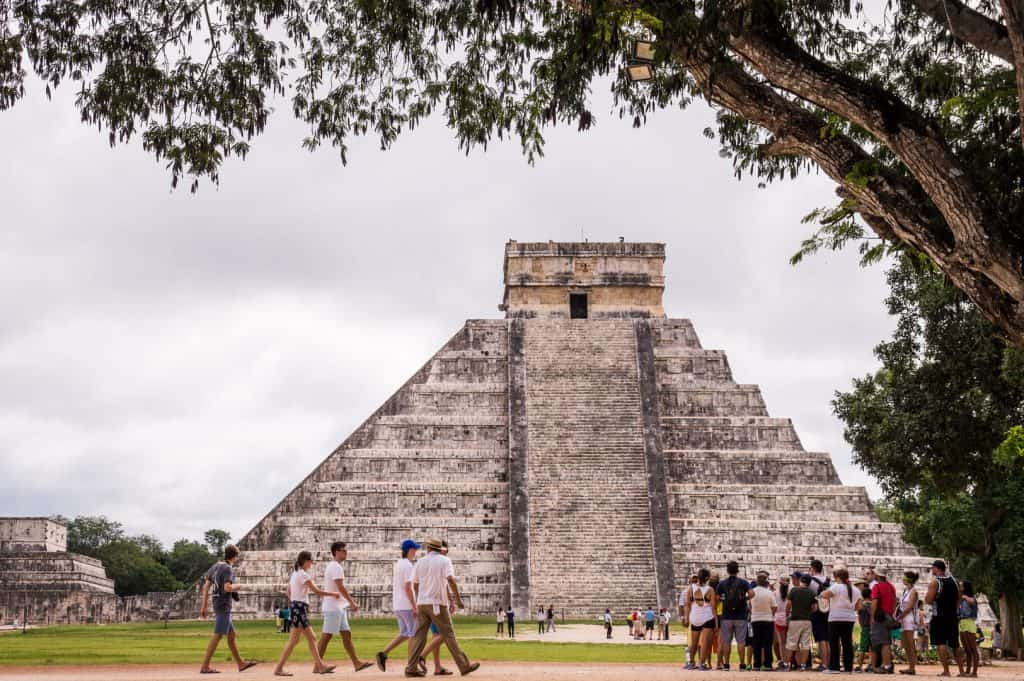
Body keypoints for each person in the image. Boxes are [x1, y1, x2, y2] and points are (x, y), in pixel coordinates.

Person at [404, 537, 479, 677]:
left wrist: (421, 597)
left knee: (419, 636)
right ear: (439, 549)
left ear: (428, 548)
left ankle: (411, 668)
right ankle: (464, 666)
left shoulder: (420, 562)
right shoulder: (445, 561)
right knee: (448, 634)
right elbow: (450, 580)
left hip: (422, 603)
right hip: (437, 603)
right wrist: (457, 599)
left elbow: (414, 584)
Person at [273, 550, 338, 676]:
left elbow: (288, 592)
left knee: (300, 640)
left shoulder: (295, 574)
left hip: (296, 608)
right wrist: (333, 594)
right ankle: (319, 666)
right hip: (300, 609)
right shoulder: (303, 575)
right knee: (304, 639)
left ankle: (320, 666)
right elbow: (317, 591)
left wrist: (294, 603)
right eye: (310, 561)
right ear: (305, 561)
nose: (312, 563)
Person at [198, 544, 259, 675]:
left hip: (216, 603)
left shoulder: (216, 566)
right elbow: (227, 588)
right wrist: (238, 586)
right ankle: (205, 666)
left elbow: (206, 587)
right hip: (223, 605)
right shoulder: (227, 568)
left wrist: (203, 606)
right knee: (218, 635)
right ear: (235, 557)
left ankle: (241, 663)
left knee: (231, 635)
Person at [317, 541, 373, 672]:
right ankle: (318, 665)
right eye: (343, 550)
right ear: (336, 552)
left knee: (346, 634)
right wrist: (352, 602)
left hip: (338, 607)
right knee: (326, 636)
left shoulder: (334, 566)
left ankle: (356, 663)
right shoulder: (336, 567)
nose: (346, 552)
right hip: (333, 607)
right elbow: (340, 587)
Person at [376, 539, 421, 672]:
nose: (416, 552)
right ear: (410, 550)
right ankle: (412, 665)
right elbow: (408, 587)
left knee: (405, 633)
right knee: (413, 635)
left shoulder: (398, 564)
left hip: (398, 604)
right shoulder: (407, 565)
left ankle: (383, 654)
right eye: (415, 549)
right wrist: (414, 606)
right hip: (406, 604)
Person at [926, 560, 964, 677]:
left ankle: (946, 671)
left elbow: (928, 600)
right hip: (952, 616)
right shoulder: (954, 581)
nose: (932, 570)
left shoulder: (935, 582)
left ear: (937, 568)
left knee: (941, 643)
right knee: (955, 644)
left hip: (939, 616)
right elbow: (959, 598)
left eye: (933, 568)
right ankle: (961, 671)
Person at [820, 567, 860, 674]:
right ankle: (848, 667)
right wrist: (849, 609)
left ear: (838, 578)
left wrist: (824, 590)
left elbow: (824, 595)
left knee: (834, 642)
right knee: (847, 643)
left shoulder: (836, 587)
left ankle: (834, 667)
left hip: (835, 618)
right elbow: (858, 606)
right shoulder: (855, 589)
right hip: (849, 618)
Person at [716, 560, 751, 671]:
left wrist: (723, 602)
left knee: (726, 641)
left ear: (727, 570)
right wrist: (744, 599)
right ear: (737, 570)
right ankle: (742, 664)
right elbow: (752, 593)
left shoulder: (722, 583)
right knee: (741, 641)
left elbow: (717, 599)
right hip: (741, 616)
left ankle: (726, 664)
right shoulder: (743, 582)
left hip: (726, 616)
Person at [682, 568, 717, 670]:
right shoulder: (710, 589)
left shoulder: (691, 588)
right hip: (707, 617)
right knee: (705, 643)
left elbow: (687, 605)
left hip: (695, 617)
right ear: (707, 578)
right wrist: (716, 622)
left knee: (694, 642)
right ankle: (702, 663)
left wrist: (686, 618)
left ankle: (691, 662)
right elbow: (713, 607)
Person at [786, 573, 816, 672]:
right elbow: (814, 608)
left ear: (801, 581)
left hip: (795, 619)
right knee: (805, 644)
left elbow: (788, 604)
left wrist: (787, 614)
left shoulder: (794, 590)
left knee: (791, 643)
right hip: (807, 620)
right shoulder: (812, 592)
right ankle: (803, 665)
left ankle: (789, 665)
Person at [870, 567, 898, 673]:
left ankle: (887, 666)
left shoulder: (876, 587)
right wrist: (891, 613)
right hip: (889, 616)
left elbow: (875, 602)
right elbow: (895, 601)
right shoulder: (891, 586)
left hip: (880, 617)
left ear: (878, 576)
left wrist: (872, 617)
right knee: (886, 641)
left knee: (883, 643)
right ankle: (887, 664)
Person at [808, 558, 832, 671]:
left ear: (812, 569)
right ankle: (829, 662)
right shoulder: (829, 580)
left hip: (817, 611)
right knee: (827, 638)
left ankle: (824, 663)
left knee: (821, 638)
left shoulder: (811, 581)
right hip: (828, 610)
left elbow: (809, 597)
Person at [750, 571, 777, 671]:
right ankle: (768, 664)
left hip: (755, 619)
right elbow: (774, 607)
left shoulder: (752, 591)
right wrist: (770, 614)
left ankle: (756, 664)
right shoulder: (769, 593)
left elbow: (749, 605)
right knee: (767, 643)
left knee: (756, 642)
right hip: (768, 619)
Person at [896, 571, 920, 675]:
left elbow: (909, 606)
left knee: (910, 643)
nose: (903, 579)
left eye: (904, 578)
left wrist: (900, 616)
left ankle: (912, 667)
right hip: (903, 618)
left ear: (908, 580)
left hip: (909, 618)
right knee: (905, 644)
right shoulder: (906, 590)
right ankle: (910, 666)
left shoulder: (913, 591)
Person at [958, 581, 980, 677]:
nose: (959, 586)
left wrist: (964, 597)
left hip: (969, 623)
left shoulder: (970, 599)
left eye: (961, 585)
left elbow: (972, 601)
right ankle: (967, 671)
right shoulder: (961, 599)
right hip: (962, 623)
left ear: (965, 587)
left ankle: (974, 672)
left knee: (973, 649)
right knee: (966, 649)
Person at [774, 574, 791, 669]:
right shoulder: (791, 592)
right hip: (788, 617)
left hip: (778, 618)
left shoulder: (775, 593)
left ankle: (784, 662)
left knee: (782, 642)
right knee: (789, 642)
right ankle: (789, 662)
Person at [855, 585, 873, 673]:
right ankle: (871, 665)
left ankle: (859, 665)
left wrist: (861, 625)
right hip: (872, 627)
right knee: (872, 648)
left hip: (865, 627)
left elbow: (859, 616)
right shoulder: (873, 604)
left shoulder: (861, 605)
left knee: (862, 648)